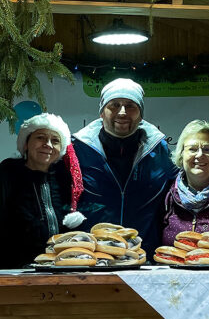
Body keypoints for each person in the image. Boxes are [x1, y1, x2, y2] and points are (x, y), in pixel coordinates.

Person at [0, 113, 81, 269]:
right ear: (26, 144)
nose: (48, 145)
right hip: (10, 273)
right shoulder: (6, 173)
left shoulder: (63, 178)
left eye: (55, 141)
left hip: (54, 271)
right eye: (41, 138)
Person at [72, 78, 178, 252]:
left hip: (144, 256)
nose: (122, 112)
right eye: (114, 105)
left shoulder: (160, 150)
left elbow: (180, 191)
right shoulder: (78, 149)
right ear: (101, 112)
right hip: (92, 256)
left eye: (130, 106)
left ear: (140, 114)